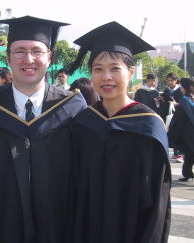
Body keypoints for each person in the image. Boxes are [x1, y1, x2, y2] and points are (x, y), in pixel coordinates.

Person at [0, 15, 87, 242]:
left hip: (58, 227)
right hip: (0, 226)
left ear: (49, 57)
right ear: (9, 57)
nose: (28, 59)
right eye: (20, 51)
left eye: (37, 51)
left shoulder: (73, 107)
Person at [68, 21, 171, 242]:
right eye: (98, 69)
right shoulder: (84, 123)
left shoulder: (148, 126)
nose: (106, 77)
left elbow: (157, 200)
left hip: (132, 231)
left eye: (115, 68)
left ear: (131, 72)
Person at [159, 72, 184, 161]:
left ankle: (179, 153)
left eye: (171, 81)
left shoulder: (180, 90)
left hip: (178, 114)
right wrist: (160, 100)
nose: (169, 82)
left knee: (177, 133)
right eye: (168, 81)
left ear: (176, 81)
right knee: (170, 133)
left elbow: (183, 103)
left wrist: (175, 103)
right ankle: (174, 152)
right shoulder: (166, 90)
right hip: (168, 115)